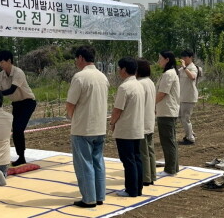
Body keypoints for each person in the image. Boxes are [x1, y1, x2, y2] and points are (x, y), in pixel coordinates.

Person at [66, 45, 109, 208]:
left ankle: (89, 198)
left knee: (84, 164)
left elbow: (70, 104)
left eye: (77, 58)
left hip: (83, 127)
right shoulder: (102, 76)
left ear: (81, 58)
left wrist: (72, 118)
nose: (76, 62)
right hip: (99, 126)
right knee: (98, 162)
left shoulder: (80, 77)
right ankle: (99, 196)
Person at [110, 57, 145, 197]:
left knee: (128, 160)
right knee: (136, 158)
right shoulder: (139, 85)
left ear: (124, 69)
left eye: (119, 68)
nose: (119, 71)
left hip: (125, 129)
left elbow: (117, 109)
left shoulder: (124, 87)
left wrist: (112, 123)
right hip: (137, 127)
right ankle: (138, 188)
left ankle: (131, 190)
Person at [0, 50, 36, 166]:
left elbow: (11, 90)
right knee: (15, 130)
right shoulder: (0, 76)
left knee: (18, 129)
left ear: (9, 61)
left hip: (28, 103)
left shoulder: (18, 72)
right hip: (16, 104)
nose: (0, 64)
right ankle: (21, 156)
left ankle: (21, 156)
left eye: (2, 62)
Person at [155, 50, 180, 176]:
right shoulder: (168, 73)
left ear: (167, 60)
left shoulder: (169, 74)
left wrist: (151, 104)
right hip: (166, 111)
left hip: (167, 111)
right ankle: (173, 167)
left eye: (160, 58)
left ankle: (170, 169)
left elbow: (162, 93)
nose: (159, 61)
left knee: (167, 140)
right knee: (170, 140)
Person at [136, 58, 157, 186]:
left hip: (142, 122)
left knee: (143, 152)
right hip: (149, 120)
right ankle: (152, 175)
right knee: (150, 150)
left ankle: (146, 177)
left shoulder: (140, 84)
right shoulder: (150, 82)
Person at [178, 49, 199, 145]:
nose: (183, 59)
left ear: (191, 57)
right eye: (182, 57)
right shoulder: (182, 69)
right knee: (181, 117)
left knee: (185, 118)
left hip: (189, 97)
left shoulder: (192, 67)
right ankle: (191, 133)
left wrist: (184, 67)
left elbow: (192, 77)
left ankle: (190, 138)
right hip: (182, 97)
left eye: (185, 57)